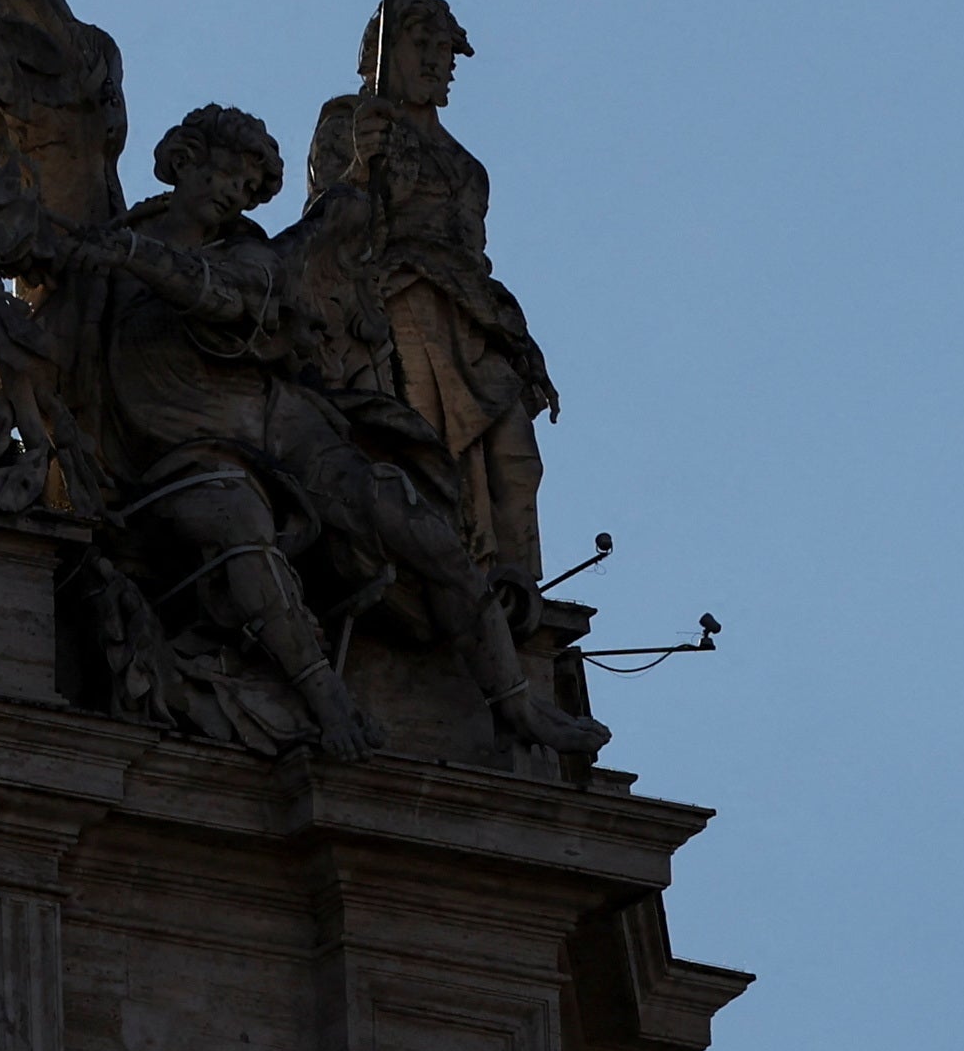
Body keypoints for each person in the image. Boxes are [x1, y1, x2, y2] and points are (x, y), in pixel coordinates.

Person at [71, 107, 603, 762]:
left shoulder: (237, 252)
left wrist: (131, 254)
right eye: (229, 176)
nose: (236, 197)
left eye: (248, 190)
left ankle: (516, 701)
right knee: (240, 521)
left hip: (282, 429)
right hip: (187, 453)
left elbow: (230, 297)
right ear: (182, 159)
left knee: (408, 516)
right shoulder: (107, 261)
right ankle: (328, 701)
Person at [292, 0, 554, 579]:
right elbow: (327, 223)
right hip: (391, 302)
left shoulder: (465, 167)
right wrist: (363, 165)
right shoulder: (349, 120)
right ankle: (443, 561)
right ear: (381, 55)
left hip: (465, 312)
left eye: (446, 50)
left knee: (515, 449)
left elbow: (470, 257)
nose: (439, 61)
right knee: (428, 446)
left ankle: (515, 578)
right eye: (422, 45)